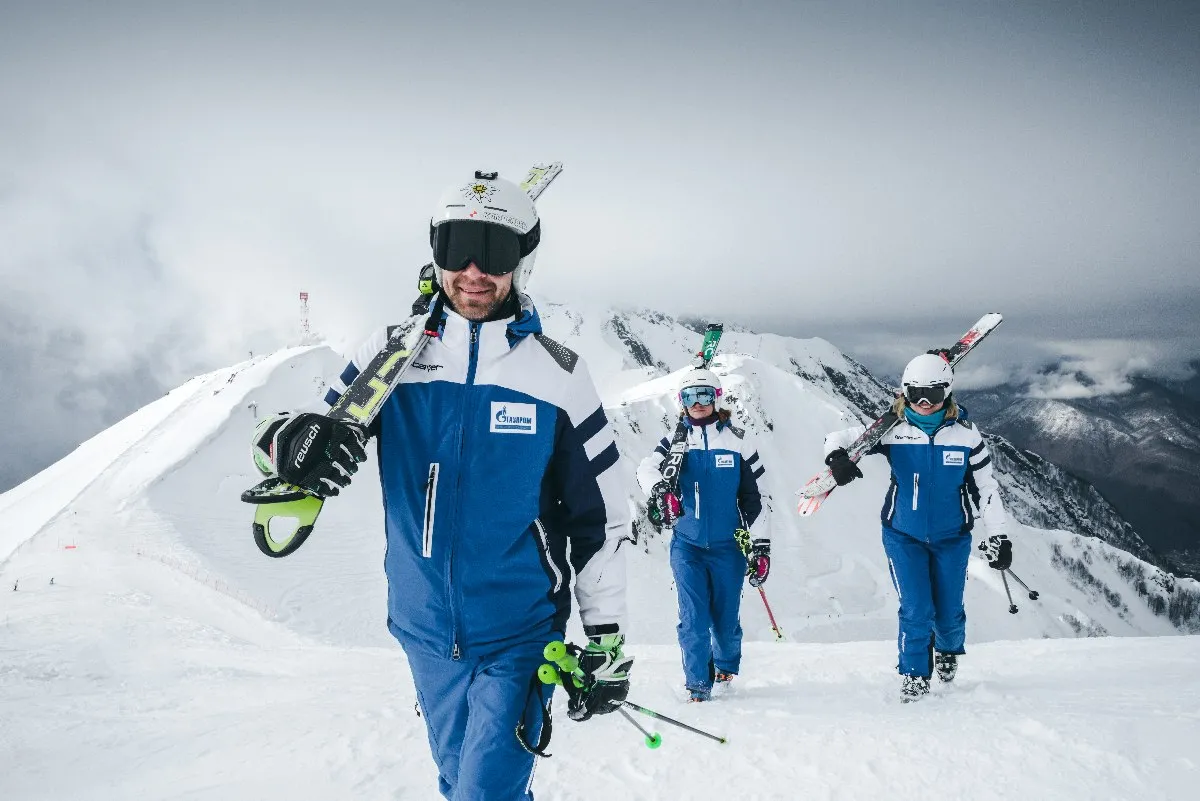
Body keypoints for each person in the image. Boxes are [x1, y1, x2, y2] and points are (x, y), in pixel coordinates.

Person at [250, 171, 632, 799]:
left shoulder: (557, 377)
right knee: (461, 781)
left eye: (497, 251)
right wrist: (285, 443)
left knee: (484, 794)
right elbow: (304, 440)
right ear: (435, 253)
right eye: (458, 248)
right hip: (423, 628)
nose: (475, 270)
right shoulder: (390, 357)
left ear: (523, 262)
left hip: (519, 631)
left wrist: (606, 638)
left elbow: (601, 517)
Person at [822, 352, 1011, 701]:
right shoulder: (891, 430)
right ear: (904, 393)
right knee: (916, 608)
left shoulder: (966, 436)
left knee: (949, 612)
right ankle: (914, 674)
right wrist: (837, 459)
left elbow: (986, 488)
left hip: (952, 536)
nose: (924, 403)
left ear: (948, 394)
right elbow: (837, 437)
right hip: (902, 534)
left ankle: (948, 649)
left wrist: (998, 535)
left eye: (934, 395)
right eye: (916, 394)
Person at [636, 368, 772, 702]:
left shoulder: (739, 441)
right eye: (689, 397)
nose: (698, 404)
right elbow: (646, 468)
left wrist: (761, 546)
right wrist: (659, 491)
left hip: (729, 547)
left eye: (705, 395)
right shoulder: (675, 441)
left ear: (717, 398)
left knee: (725, 623)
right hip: (688, 545)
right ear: (681, 402)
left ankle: (725, 664)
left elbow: (757, 498)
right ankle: (698, 683)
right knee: (693, 620)